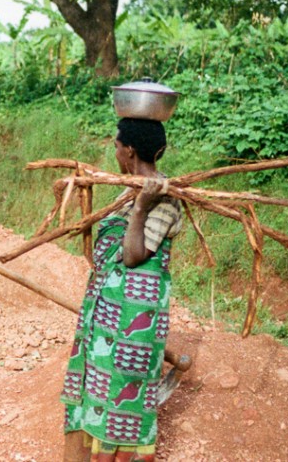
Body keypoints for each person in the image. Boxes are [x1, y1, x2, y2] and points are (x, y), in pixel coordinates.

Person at [61, 118, 183, 462]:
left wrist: (141, 207)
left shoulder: (165, 200)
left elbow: (133, 256)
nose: (113, 151)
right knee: (97, 388)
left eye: (116, 145)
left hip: (135, 315)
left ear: (129, 150)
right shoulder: (127, 189)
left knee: (125, 396)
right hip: (106, 309)